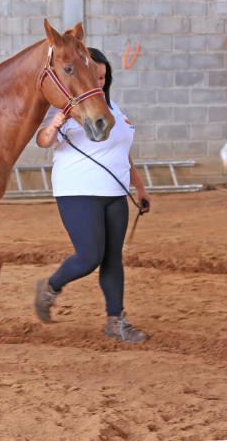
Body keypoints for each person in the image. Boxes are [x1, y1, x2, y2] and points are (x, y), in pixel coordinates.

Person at [33, 47, 151, 344]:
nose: (98, 81)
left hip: (116, 193)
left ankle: (116, 320)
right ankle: (51, 286)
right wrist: (56, 124)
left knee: (112, 259)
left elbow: (124, 154)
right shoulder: (70, 109)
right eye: (94, 76)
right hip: (78, 191)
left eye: (103, 77)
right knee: (89, 256)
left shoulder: (114, 111)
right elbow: (43, 141)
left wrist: (140, 187)